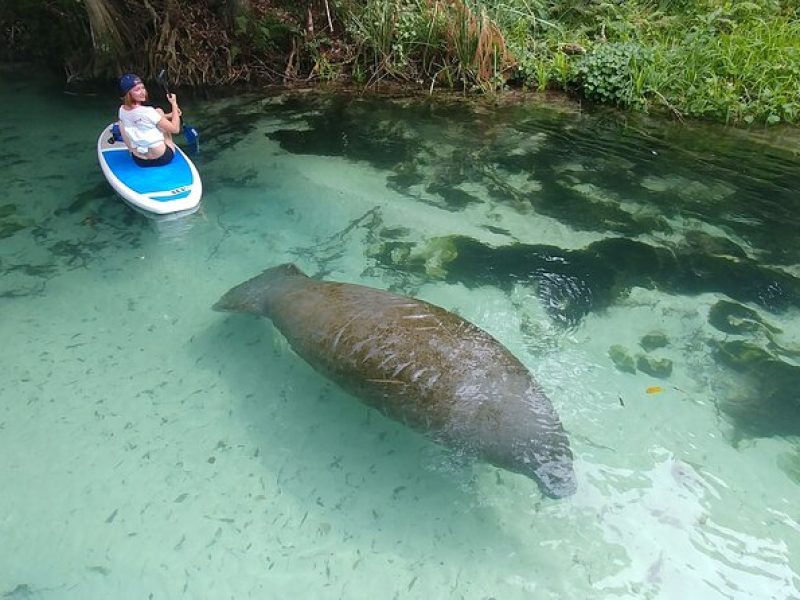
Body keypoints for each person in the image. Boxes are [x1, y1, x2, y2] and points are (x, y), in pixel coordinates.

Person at [117, 73, 181, 168]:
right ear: (128, 94)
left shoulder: (121, 110)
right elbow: (175, 129)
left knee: (120, 123)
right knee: (159, 111)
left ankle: (131, 151)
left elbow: (143, 119)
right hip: (163, 158)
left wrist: (170, 115)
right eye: (137, 90)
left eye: (142, 88)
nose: (143, 92)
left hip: (140, 160)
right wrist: (174, 105)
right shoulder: (148, 112)